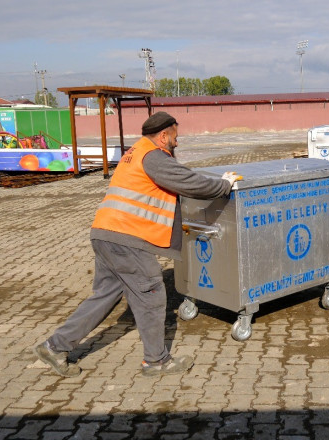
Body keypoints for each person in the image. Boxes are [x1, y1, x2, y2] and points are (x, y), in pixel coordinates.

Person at [34, 111, 241, 377]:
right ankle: (156, 361)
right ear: (163, 136)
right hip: (127, 238)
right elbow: (188, 182)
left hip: (106, 233)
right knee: (152, 295)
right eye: (175, 137)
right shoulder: (153, 157)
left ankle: (54, 346)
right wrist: (223, 185)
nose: (178, 142)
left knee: (104, 296)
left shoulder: (136, 151)